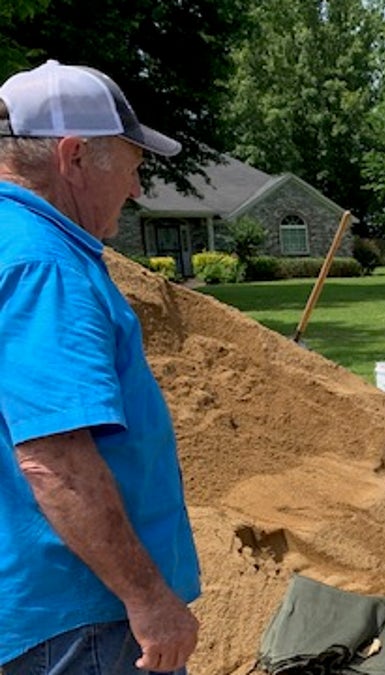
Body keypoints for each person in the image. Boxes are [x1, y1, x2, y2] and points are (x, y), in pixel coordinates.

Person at [0, 61, 201, 674]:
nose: (138, 188)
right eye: (132, 165)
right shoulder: (46, 265)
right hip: (79, 615)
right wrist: (148, 598)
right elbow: (54, 461)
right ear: (75, 156)